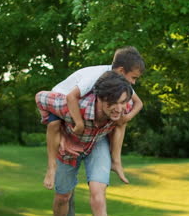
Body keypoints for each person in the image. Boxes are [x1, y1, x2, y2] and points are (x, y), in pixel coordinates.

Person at [35, 71, 134, 216]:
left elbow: (121, 124)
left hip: (97, 144)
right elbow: (40, 97)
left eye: (123, 102)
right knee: (62, 197)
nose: (119, 109)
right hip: (69, 147)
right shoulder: (75, 106)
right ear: (100, 99)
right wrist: (53, 123)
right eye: (113, 103)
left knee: (98, 199)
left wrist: (116, 159)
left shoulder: (123, 108)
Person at [42, 46, 145, 190]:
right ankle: (52, 167)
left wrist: (126, 118)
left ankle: (116, 161)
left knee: (120, 120)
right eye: (133, 78)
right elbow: (71, 96)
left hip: (78, 106)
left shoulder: (120, 83)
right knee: (54, 125)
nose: (133, 82)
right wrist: (79, 124)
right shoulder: (97, 75)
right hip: (61, 99)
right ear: (122, 71)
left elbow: (139, 103)